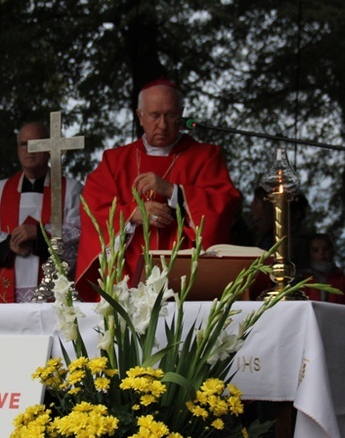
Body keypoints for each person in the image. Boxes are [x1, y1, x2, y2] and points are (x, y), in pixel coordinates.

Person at [75, 79, 240, 300]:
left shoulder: (205, 157)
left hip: (185, 277)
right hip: (127, 275)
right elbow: (92, 209)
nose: (162, 125)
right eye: (154, 116)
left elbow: (223, 205)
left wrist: (173, 191)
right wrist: (133, 214)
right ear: (140, 116)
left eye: (170, 116)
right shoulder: (114, 161)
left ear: (181, 115)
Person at [0, 122, 83, 303]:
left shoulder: (71, 189)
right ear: (17, 149)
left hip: (53, 291)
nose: (28, 150)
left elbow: (82, 233)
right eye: (24, 144)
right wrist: (8, 245)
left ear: (49, 148)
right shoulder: (0, 190)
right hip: (6, 288)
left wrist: (40, 234)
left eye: (35, 143)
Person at [297, 233, 345, 303]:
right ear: (309, 254)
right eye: (315, 250)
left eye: (326, 249)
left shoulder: (340, 278)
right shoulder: (304, 278)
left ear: (332, 251)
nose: (322, 253)